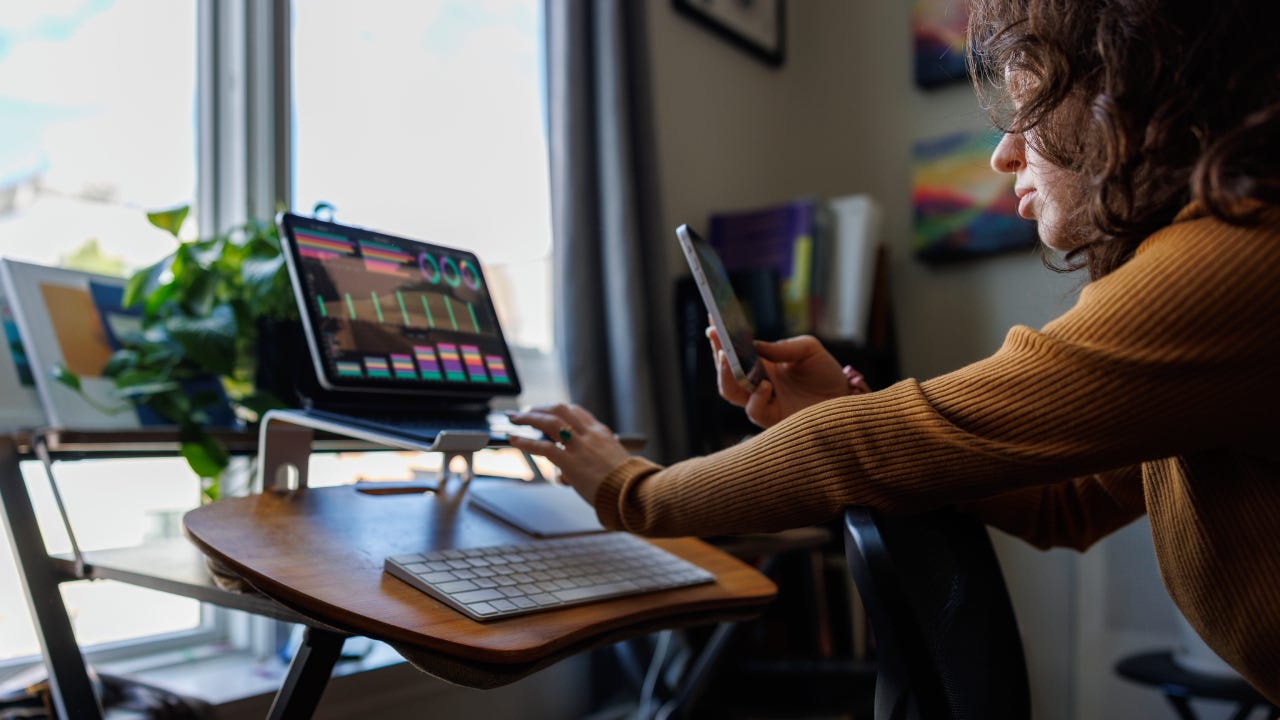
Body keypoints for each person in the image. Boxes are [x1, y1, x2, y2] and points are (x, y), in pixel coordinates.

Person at [509, 0, 1280, 702]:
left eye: (1028, 109)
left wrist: (629, 491)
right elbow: (1065, 503)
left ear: (1129, 98)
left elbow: (869, 451)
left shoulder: (1240, 252)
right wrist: (848, 410)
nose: (1003, 156)